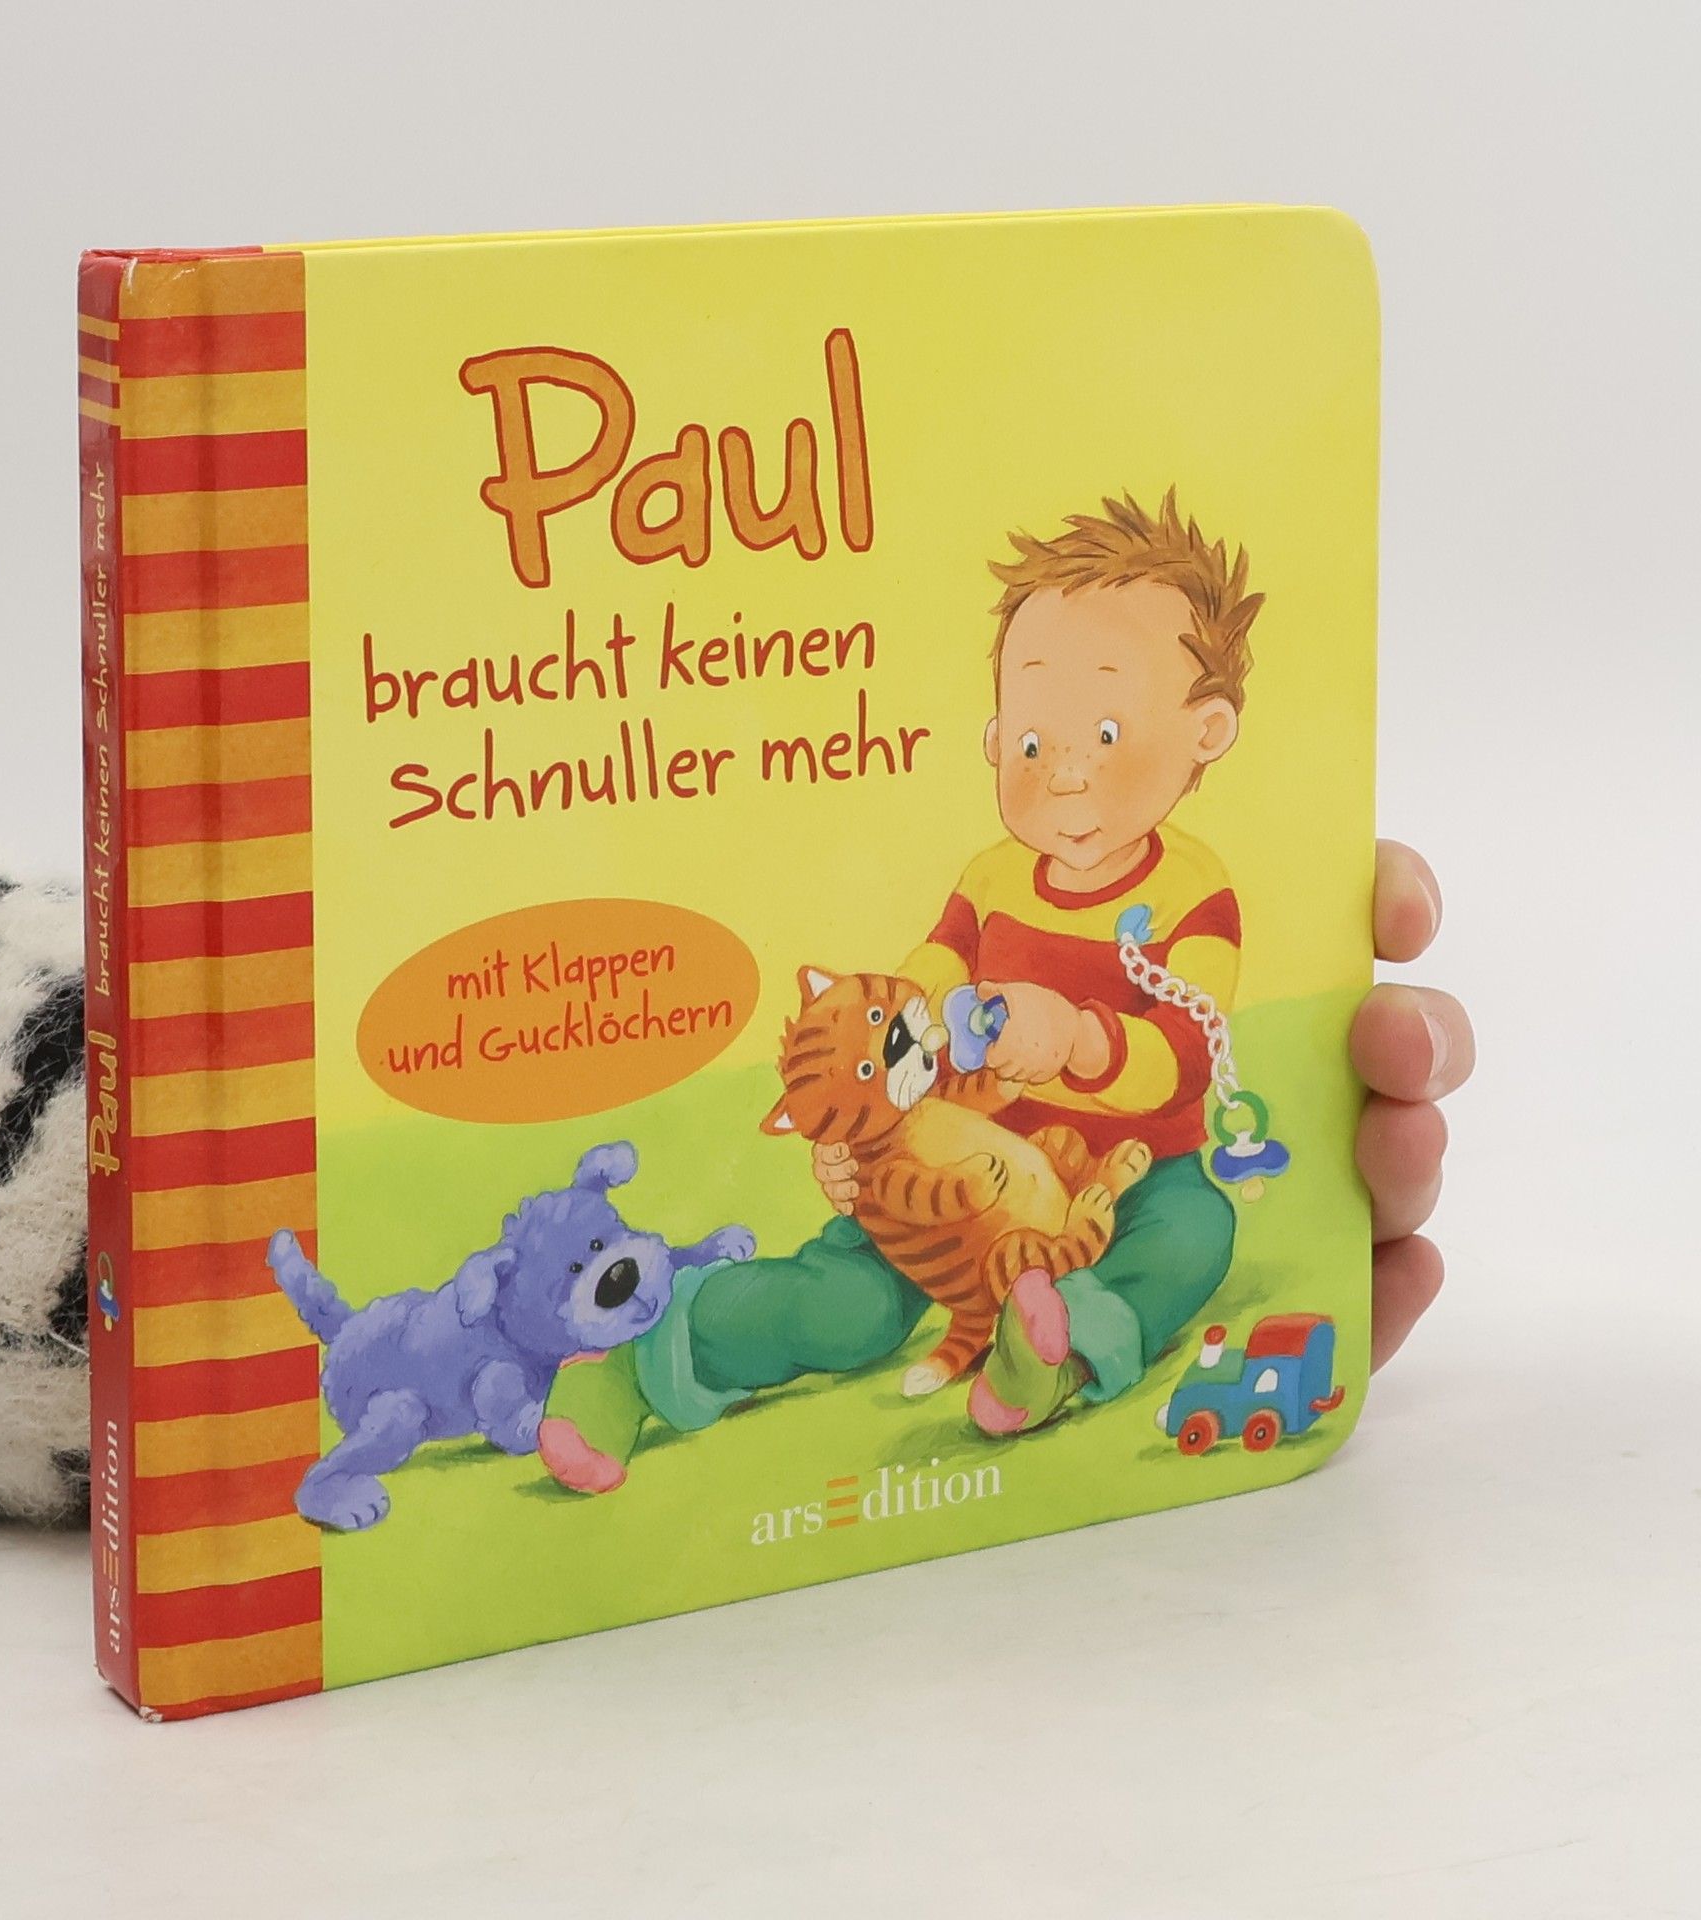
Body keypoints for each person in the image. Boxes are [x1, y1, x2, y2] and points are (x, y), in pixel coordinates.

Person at [537, 493, 1474, 1494]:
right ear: (995, 741)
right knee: (851, 1302)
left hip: (1125, 1172)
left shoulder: (1195, 894)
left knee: (1195, 1232)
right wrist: (854, 1127)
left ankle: (1052, 1352)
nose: (1065, 777)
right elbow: (908, 1002)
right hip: (953, 1162)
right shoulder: (989, 883)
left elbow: (1183, 1053)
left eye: (1106, 733)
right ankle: (638, 1364)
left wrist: (1075, 1039)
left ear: (1206, 731)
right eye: (1033, 745)